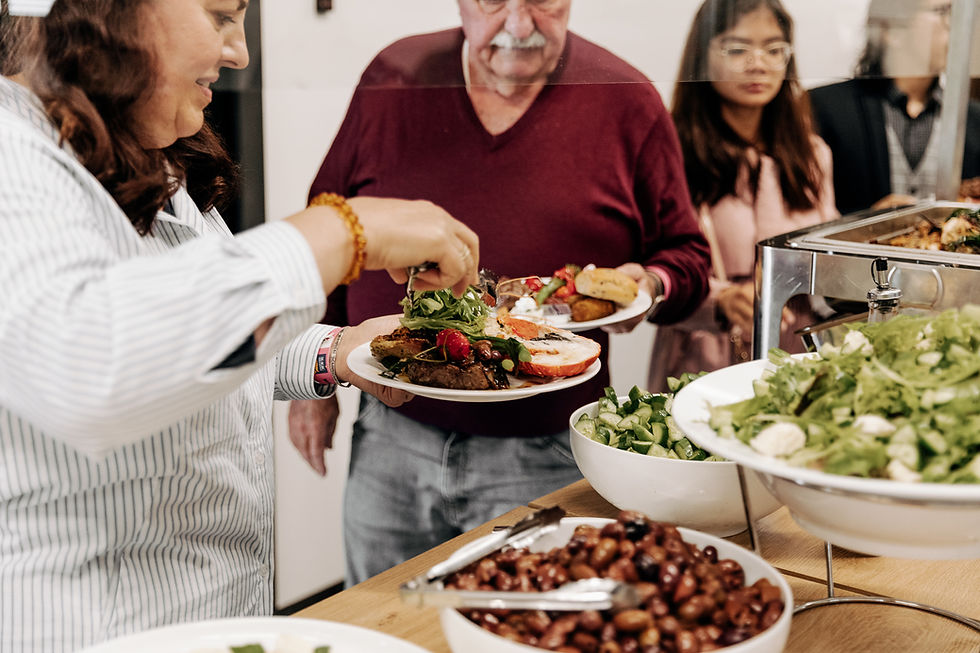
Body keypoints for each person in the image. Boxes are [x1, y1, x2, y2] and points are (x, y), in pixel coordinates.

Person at [0, 1, 480, 651]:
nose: (240, 53)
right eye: (221, 14)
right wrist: (342, 232)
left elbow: (206, 338)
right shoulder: (12, 157)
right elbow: (99, 366)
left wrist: (340, 350)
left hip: (215, 614)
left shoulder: (148, 158)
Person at [288, 0, 711, 585]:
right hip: (392, 436)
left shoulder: (625, 98)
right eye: (494, 1)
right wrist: (315, 382)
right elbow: (330, 225)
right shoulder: (396, 77)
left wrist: (652, 285)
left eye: (542, 1)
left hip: (546, 449)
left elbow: (688, 257)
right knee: (379, 623)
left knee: (526, 633)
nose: (519, 26)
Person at [647, 0, 838, 391]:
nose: (759, 63)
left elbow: (828, 255)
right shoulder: (671, 150)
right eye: (737, 49)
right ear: (703, 56)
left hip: (795, 357)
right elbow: (649, 272)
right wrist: (719, 300)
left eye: (774, 49)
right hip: (703, 358)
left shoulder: (812, 153)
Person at [809, 0, 980, 215]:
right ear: (893, 29)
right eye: (943, 11)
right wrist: (862, 222)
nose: (955, 25)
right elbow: (803, 216)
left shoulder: (973, 119)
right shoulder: (825, 107)